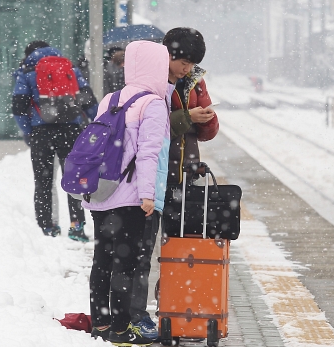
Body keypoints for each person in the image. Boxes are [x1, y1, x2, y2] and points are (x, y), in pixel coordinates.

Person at [128, 27, 219, 340]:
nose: (188, 68)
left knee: (180, 250)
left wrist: (200, 109)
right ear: (167, 54)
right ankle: (139, 315)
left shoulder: (191, 81)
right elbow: (155, 127)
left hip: (184, 175)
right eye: (184, 61)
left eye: (193, 63)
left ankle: (173, 310)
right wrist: (187, 118)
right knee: (143, 250)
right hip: (156, 178)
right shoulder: (150, 82)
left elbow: (209, 130)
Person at [85, 40, 172, 346]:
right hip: (131, 197)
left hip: (102, 193)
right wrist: (148, 195)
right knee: (126, 263)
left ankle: (101, 325)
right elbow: (149, 154)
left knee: (102, 260)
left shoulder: (110, 98)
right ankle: (121, 330)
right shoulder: (154, 104)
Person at [12, 40, 98, 242]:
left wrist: (28, 132)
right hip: (71, 129)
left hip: (41, 132)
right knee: (74, 178)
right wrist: (93, 120)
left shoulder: (26, 73)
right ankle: (77, 226)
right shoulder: (69, 67)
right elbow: (88, 100)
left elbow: (19, 107)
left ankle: (48, 226)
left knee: (43, 180)